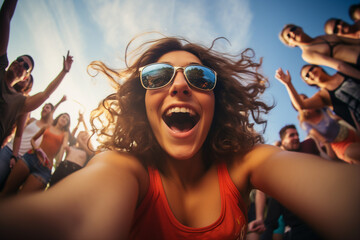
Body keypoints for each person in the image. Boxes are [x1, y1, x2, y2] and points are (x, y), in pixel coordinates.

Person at [0, 36, 359, 240]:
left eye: (199, 77)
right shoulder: (123, 167)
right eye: (157, 76)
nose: (180, 84)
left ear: (215, 101)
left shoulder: (248, 161)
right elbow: (75, 217)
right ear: (143, 101)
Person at [0, 0, 73, 146]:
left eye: (26, 65)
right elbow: (5, 16)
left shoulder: (20, 102)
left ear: (25, 77)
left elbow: (46, 93)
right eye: (19, 60)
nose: (21, 63)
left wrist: (64, 72)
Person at [261, 125, 324, 240]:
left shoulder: (307, 148)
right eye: (291, 135)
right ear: (282, 141)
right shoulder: (277, 161)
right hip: (296, 222)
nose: (296, 137)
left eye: (297, 134)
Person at [0, 96, 66, 190]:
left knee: (8, 189)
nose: (44, 108)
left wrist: (60, 101)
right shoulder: (32, 120)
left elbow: (52, 112)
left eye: (48, 107)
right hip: (9, 151)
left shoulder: (49, 128)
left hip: (25, 159)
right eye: (44, 107)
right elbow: (17, 132)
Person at [275, 66, 360, 130]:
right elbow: (301, 105)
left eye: (311, 69)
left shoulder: (342, 71)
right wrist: (288, 84)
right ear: (308, 83)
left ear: (319, 67)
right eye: (307, 75)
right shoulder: (323, 95)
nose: (311, 73)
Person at [279, 24, 360, 79]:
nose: (292, 32)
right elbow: (339, 66)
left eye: (293, 29)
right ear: (291, 44)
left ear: (299, 28)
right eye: (289, 35)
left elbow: (355, 41)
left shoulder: (322, 36)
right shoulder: (307, 54)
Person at [296, 94, 360, 164]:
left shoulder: (322, 109)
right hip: (341, 145)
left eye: (305, 98)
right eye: (301, 101)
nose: (305, 102)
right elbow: (321, 138)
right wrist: (329, 150)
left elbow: (336, 117)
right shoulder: (306, 123)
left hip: (350, 133)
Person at [49, 112, 94, 187]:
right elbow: (71, 134)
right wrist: (78, 123)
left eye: (85, 136)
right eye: (81, 134)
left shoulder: (88, 151)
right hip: (62, 167)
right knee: (52, 187)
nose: (83, 136)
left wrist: (83, 121)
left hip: (74, 172)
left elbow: (89, 133)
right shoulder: (72, 145)